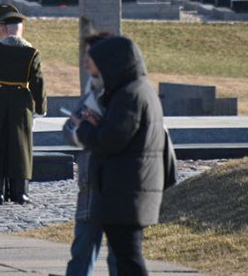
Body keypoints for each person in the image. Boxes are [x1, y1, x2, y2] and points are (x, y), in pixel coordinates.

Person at [75, 35, 175, 276]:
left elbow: (111, 141)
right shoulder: (139, 89)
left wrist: (85, 129)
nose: (92, 67)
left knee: (128, 260)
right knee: (126, 258)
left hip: (125, 192)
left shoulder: (128, 95)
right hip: (129, 190)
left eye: (97, 62)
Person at [0, 5, 45, 205]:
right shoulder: (31, 52)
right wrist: (40, 108)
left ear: (3, 28)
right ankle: (20, 192)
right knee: (21, 146)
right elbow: (38, 82)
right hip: (21, 102)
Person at [63, 31, 114, 276]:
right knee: (81, 255)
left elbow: (119, 136)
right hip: (90, 187)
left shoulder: (124, 94)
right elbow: (69, 130)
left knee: (119, 259)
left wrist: (90, 128)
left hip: (117, 188)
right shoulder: (91, 93)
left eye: (89, 57)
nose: (84, 62)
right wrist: (82, 127)